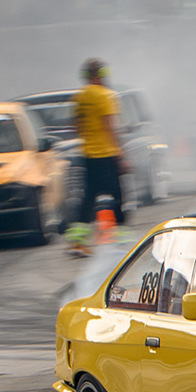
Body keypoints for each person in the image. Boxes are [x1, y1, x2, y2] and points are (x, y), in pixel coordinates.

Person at [67, 58, 131, 258]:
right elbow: (110, 125)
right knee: (117, 197)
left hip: (88, 155)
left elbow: (76, 127)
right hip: (107, 154)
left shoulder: (79, 98)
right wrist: (121, 154)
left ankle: (78, 242)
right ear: (101, 75)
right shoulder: (106, 95)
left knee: (88, 199)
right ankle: (120, 242)